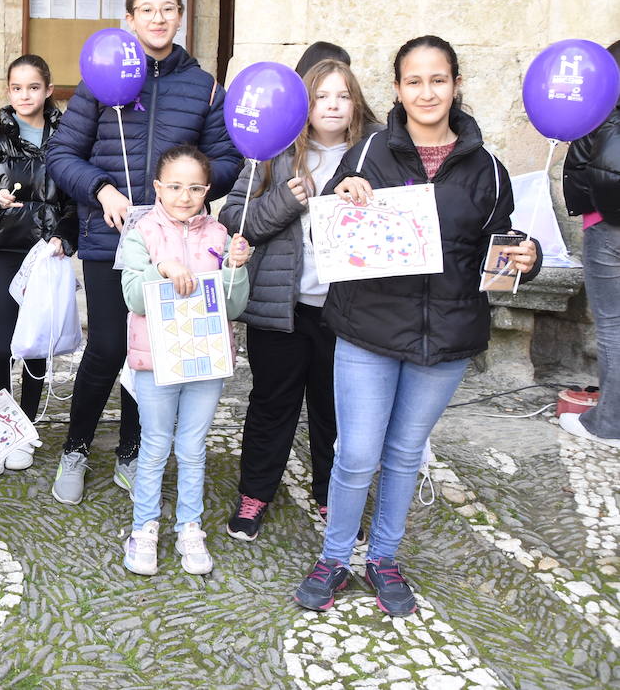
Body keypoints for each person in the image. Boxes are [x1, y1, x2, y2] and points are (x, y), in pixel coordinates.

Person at [293, 36, 540, 617]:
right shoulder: (369, 152)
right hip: (368, 331)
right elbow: (326, 231)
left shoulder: (489, 169)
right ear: (398, 89)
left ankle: (383, 557)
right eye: (414, 81)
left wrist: (521, 260)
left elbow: (496, 261)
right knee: (355, 453)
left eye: (438, 80)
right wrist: (344, 192)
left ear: (456, 85)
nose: (427, 92)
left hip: (446, 338)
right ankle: (334, 558)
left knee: (404, 453)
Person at [45, 0, 242, 505]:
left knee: (151, 354)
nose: (158, 18)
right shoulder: (99, 79)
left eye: (169, 9)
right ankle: (77, 447)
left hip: (179, 244)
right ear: (129, 19)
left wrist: (192, 190)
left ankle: (132, 451)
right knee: (109, 347)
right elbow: (61, 156)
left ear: (181, 17)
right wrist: (102, 189)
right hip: (111, 241)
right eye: (146, 9)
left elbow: (227, 160)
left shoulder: (202, 86)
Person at [218, 58, 378, 540]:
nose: (332, 105)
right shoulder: (274, 152)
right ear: (302, 106)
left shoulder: (374, 155)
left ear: (356, 104)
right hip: (280, 309)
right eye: (321, 96)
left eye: (342, 95)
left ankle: (333, 495)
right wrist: (287, 200)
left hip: (347, 311)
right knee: (272, 403)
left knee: (335, 410)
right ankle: (254, 494)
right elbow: (233, 220)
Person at [119, 147, 250, 576]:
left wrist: (235, 267)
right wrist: (163, 267)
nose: (184, 196)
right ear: (158, 187)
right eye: (174, 186)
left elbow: (233, 306)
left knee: (193, 447)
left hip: (205, 359)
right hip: (157, 359)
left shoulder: (218, 234)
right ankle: (144, 528)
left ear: (207, 190)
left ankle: (189, 527)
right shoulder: (142, 232)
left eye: (195, 188)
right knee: (155, 445)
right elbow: (133, 296)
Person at [0, 54, 77, 472]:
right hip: (8, 248)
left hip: (47, 252)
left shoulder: (67, 139)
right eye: (16, 87)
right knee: (7, 342)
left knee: (35, 344)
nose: (24, 95)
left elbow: (74, 198)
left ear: (48, 90)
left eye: (33, 87)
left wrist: (66, 235)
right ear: (8, 91)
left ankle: (25, 427)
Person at [560, 40, 620, 450]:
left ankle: (609, 423)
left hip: (608, 228)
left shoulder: (599, 110)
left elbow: (581, 172)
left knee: (614, 326)